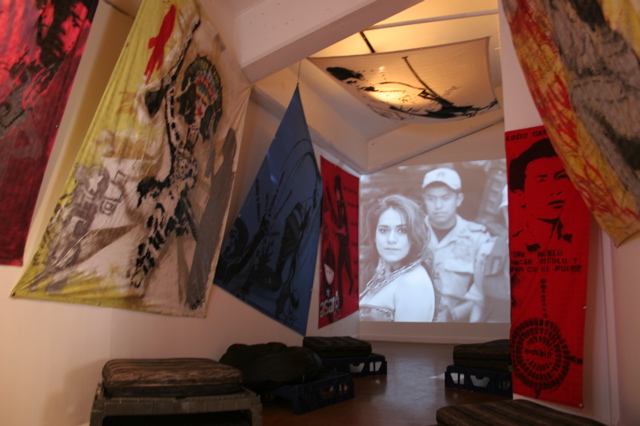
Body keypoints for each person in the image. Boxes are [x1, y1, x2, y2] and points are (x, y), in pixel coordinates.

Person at [421, 167, 491, 322]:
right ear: (424, 199)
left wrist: (452, 315)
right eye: (431, 198)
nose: (438, 205)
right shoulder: (411, 234)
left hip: (457, 322)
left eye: (446, 198)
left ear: (458, 199)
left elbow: (484, 293)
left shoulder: (477, 238)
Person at [359, 194, 435, 322]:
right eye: (383, 230)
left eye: (402, 230)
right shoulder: (383, 273)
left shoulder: (412, 282)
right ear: (374, 236)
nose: (391, 239)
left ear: (414, 236)